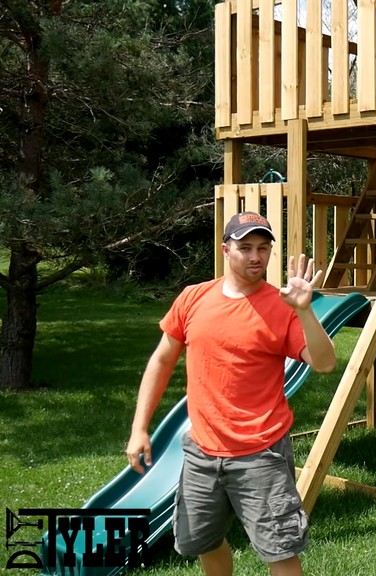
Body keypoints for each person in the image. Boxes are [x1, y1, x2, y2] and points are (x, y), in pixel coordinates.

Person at [126, 211, 337, 576]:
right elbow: (161, 362)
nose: (255, 256)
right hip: (201, 452)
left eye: (263, 248)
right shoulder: (193, 299)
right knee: (202, 541)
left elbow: (324, 363)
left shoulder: (281, 307)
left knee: (280, 551)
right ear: (226, 250)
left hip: (261, 453)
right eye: (245, 247)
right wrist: (139, 428)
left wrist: (304, 312)